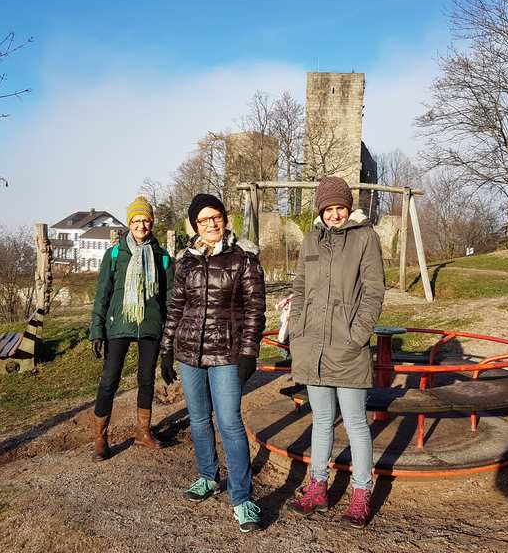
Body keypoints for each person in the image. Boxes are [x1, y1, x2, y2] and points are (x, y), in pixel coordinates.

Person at [159, 193, 266, 533]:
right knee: (199, 419)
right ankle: (207, 475)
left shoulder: (243, 258)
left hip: (227, 352)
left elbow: (255, 309)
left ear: (224, 218)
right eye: (203, 220)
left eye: (215, 217)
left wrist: (249, 352)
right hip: (189, 351)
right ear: (195, 225)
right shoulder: (186, 261)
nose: (210, 224)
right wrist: (166, 349)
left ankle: (242, 497)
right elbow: (176, 307)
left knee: (230, 422)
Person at [287, 176, 385, 529]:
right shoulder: (311, 239)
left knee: (356, 423)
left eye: (340, 208)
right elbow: (300, 287)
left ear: (348, 207)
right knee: (322, 420)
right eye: (328, 209)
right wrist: (297, 326)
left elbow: (374, 291)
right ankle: (318, 487)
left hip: (348, 346)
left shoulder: (365, 238)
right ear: (321, 210)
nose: (334, 215)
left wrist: (357, 334)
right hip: (312, 344)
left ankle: (361, 493)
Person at [88, 195, 173, 461]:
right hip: (119, 323)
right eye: (136, 220)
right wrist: (96, 329)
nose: (140, 225)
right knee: (109, 380)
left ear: (151, 222)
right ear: (129, 223)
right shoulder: (114, 255)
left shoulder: (162, 257)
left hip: (150, 325)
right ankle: (100, 438)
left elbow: (170, 297)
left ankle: (143, 432)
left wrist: (169, 337)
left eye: (145, 220)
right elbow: (102, 294)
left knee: (146, 380)